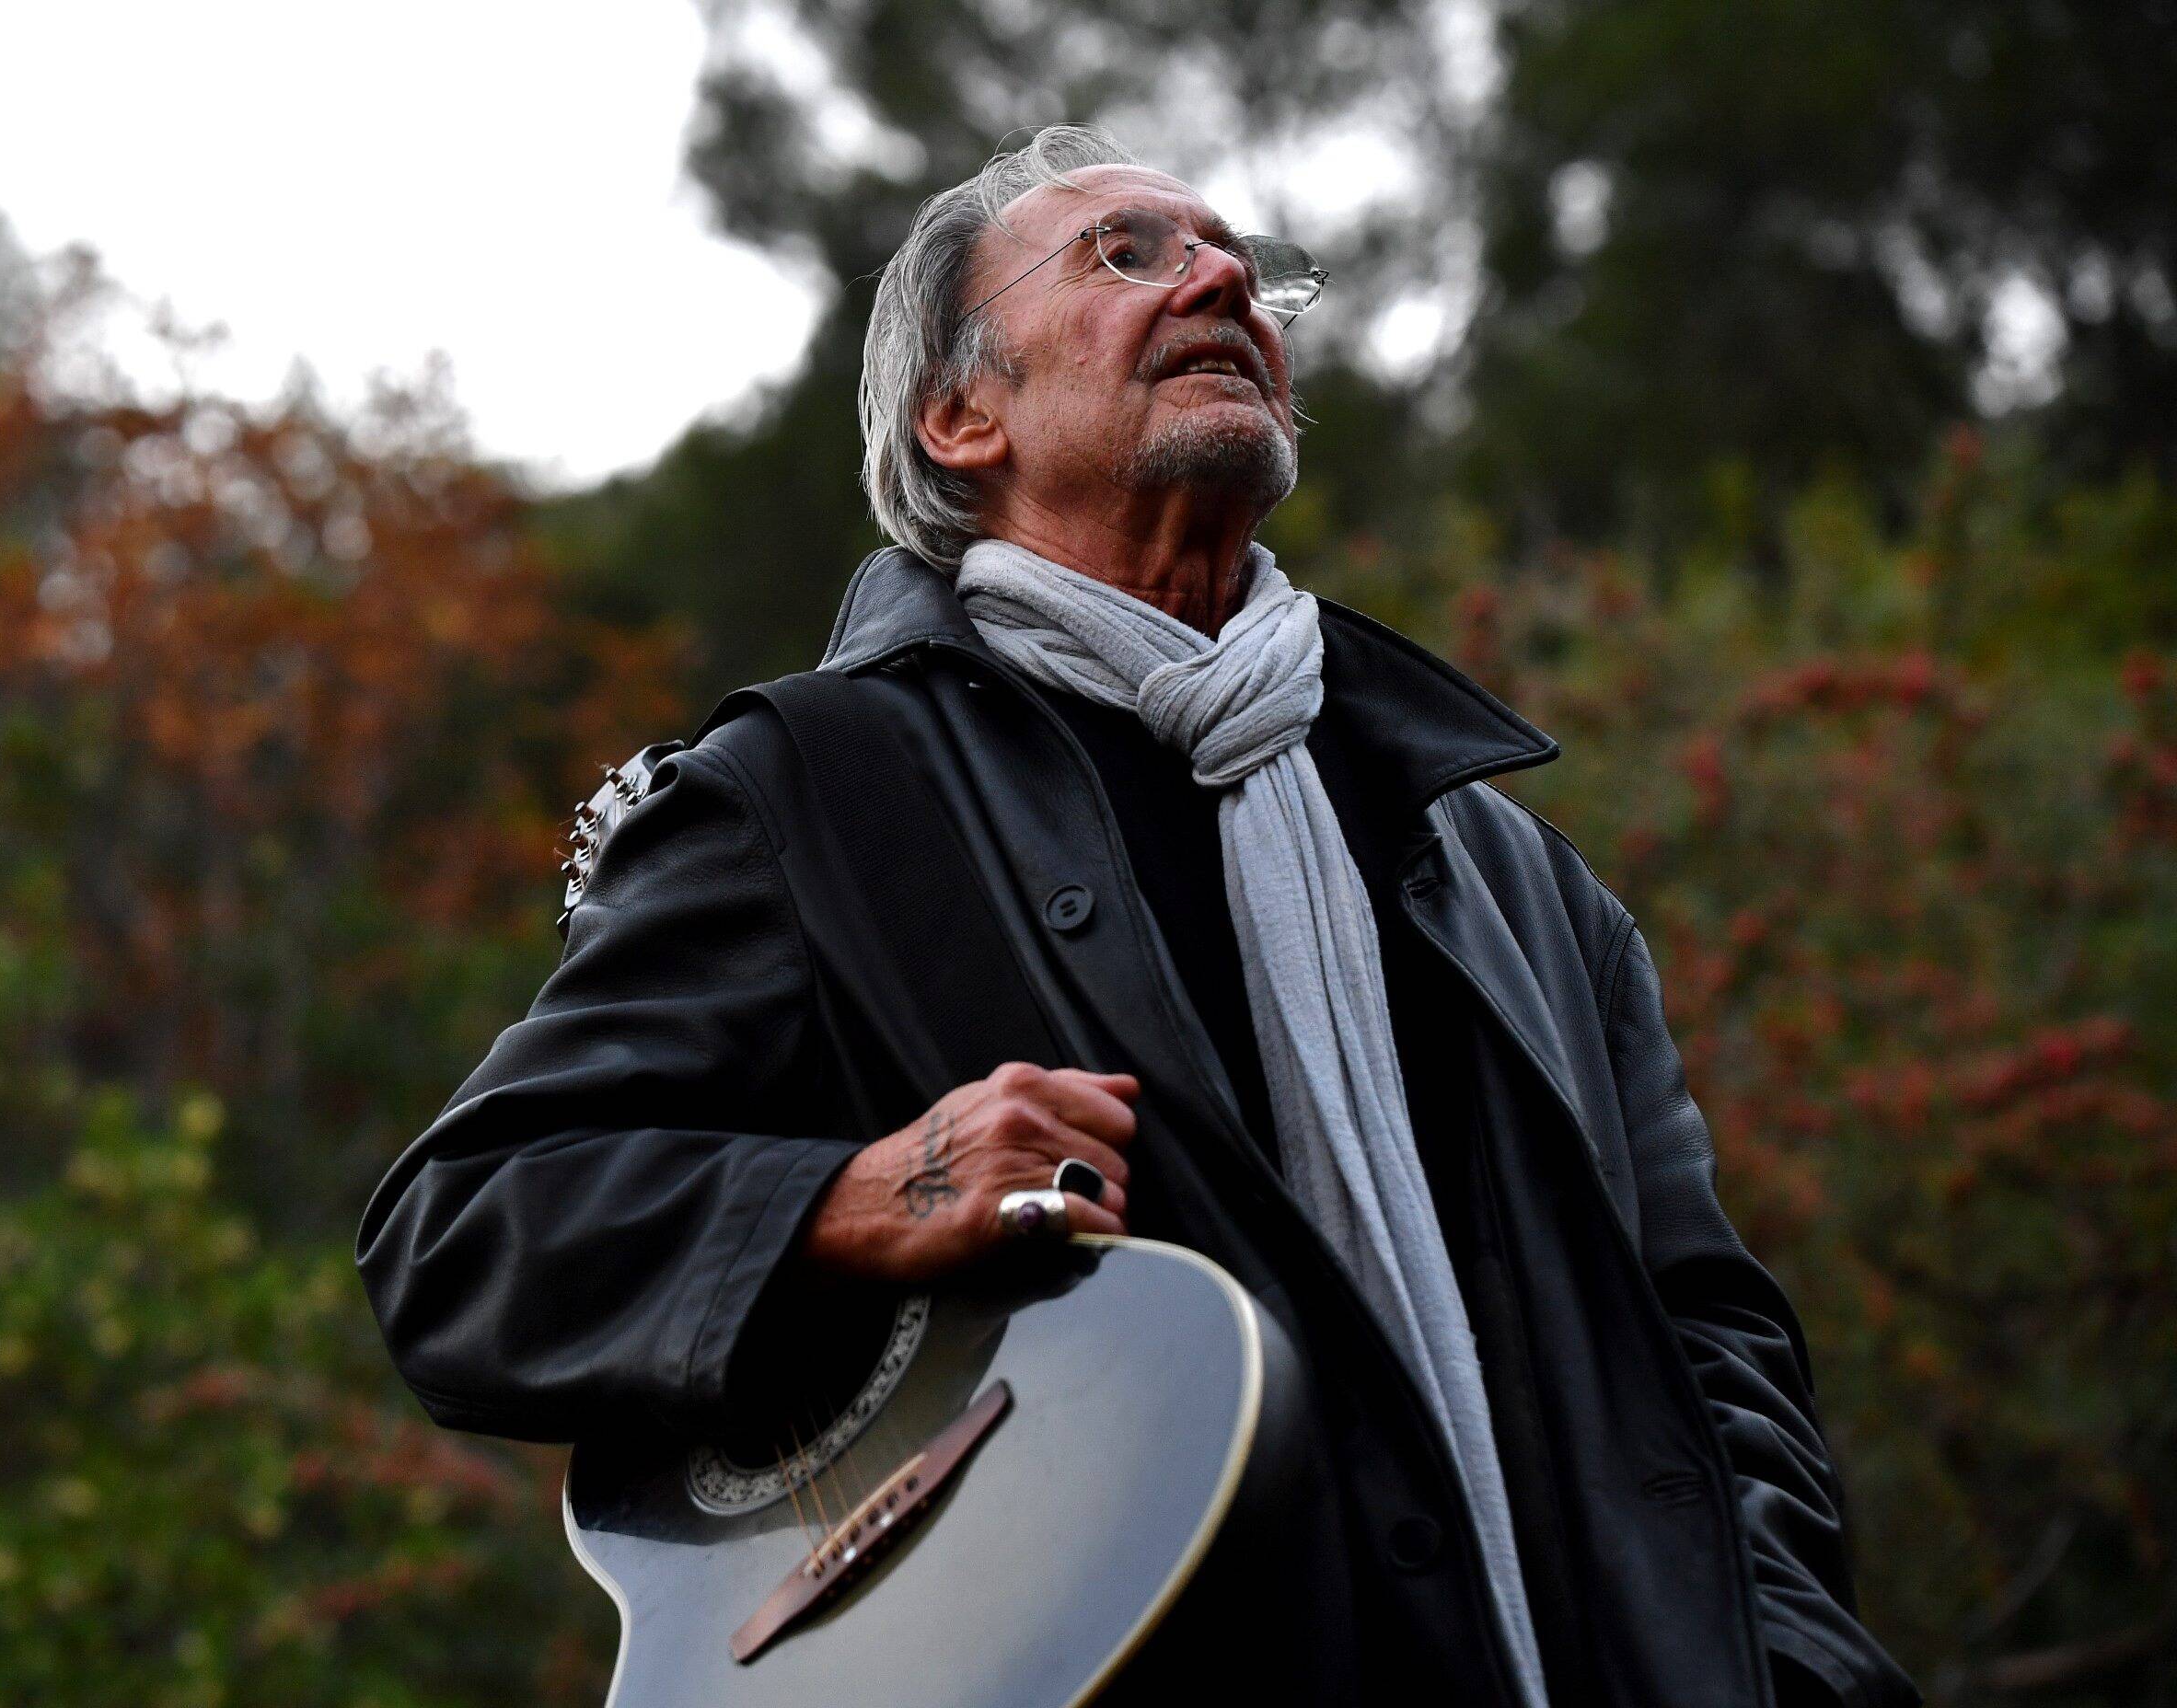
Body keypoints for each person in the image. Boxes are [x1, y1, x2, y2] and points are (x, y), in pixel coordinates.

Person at [357, 124, 1918, 1707]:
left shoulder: (1508, 870)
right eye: (1127, 255)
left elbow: (1708, 1338)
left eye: (1244, 262)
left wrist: (1782, 1657)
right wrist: (858, 1196)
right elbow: (467, 1235)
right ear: (963, 415)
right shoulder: (812, 796)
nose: (1227, 276)